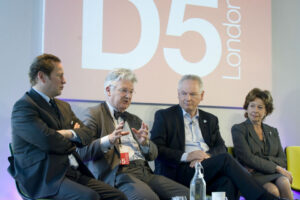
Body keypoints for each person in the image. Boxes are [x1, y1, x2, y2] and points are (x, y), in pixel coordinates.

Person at [8, 54, 126, 200]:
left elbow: (87, 134)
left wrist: (68, 134)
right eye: (60, 76)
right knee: (90, 197)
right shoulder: (24, 107)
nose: (65, 81)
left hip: (69, 171)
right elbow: (48, 142)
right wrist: (74, 137)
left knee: (117, 196)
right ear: (42, 77)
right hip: (43, 178)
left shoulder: (63, 106)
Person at [150, 74, 287, 200]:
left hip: (205, 168)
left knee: (227, 182)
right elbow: (157, 149)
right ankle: (265, 199)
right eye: (183, 93)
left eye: (192, 94)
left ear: (202, 95)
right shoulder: (165, 116)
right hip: (180, 169)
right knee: (226, 160)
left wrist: (206, 156)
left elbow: (221, 147)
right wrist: (188, 156)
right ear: (178, 94)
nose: (188, 98)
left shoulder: (210, 119)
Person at [77, 68, 189, 200]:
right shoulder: (93, 114)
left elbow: (153, 154)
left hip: (144, 172)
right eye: (124, 90)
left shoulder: (134, 119)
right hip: (119, 173)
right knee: (149, 198)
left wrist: (145, 143)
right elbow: (82, 152)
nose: (128, 96)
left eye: (131, 92)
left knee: (190, 195)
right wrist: (108, 140)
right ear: (108, 90)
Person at [231, 88, 293, 200]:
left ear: (266, 111)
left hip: (267, 172)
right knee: (273, 190)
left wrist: (260, 160)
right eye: (252, 106)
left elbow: (283, 160)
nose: (255, 110)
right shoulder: (238, 129)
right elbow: (247, 158)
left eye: (260, 107)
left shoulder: (272, 131)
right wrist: (277, 168)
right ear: (247, 108)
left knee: (284, 182)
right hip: (250, 176)